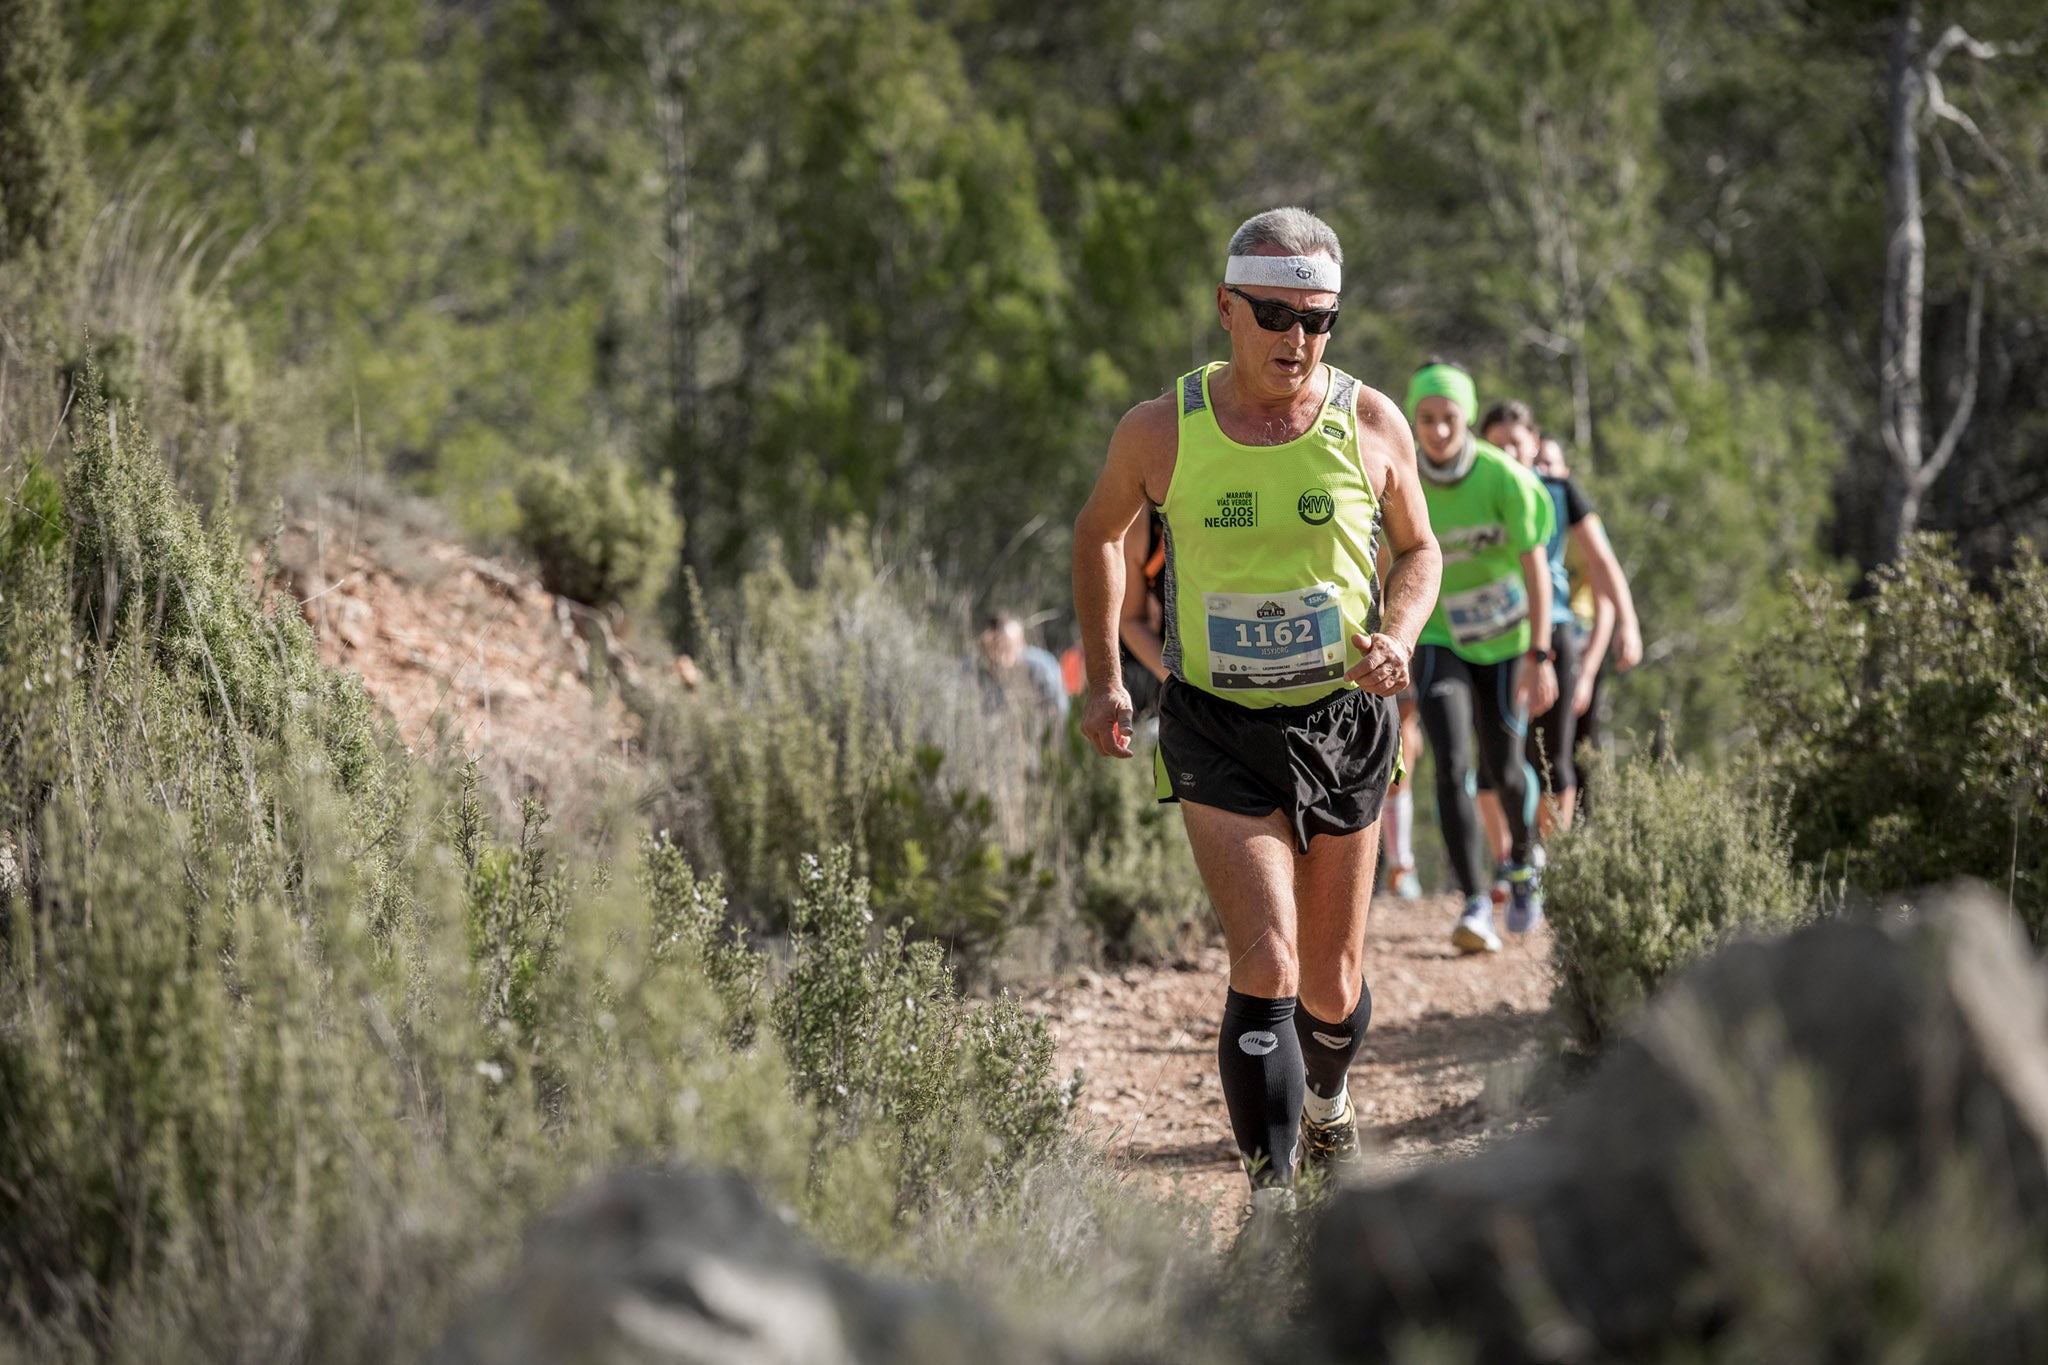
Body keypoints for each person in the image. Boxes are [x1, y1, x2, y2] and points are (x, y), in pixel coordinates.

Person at [1071, 207, 1441, 1211]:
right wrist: (1108, 674)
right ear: (1225, 309)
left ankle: (1327, 1098)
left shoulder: (1369, 425)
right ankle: (1271, 1208)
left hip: (1342, 718)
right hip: (1216, 721)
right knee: (1266, 958)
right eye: (1273, 313)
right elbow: (1099, 535)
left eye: (1316, 319)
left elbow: (1419, 551)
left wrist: (1396, 638)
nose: (1295, 339)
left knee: (1328, 981)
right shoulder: (1160, 429)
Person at [1406, 363, 1555, 955]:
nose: (1438, 431)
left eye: (1449, 419)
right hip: (1440, 637)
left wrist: (1540, 654)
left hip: (1506, 641)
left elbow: (1536, 570)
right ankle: (1474, 903)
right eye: (1427, 420)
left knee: (1504, 767)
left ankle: (1522, 863)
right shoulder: (1405, 479)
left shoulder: (1502, 478)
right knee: (1450, 763)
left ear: (1466, 419)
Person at [1471, 411, 1643, 859]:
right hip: (1494, 637)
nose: (1508, 454)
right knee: (1492, 760)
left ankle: (1553, 867)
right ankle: (1509, 865)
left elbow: (1603, 561)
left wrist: (1628, 622)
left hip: (1558, 633)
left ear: (1534, 443)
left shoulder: (1560, 492)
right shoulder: (1472, 494)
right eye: (1497, 445)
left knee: (1553, 758)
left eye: (1517, 443)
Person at [978, 611, 1068, 733]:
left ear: (1020, 641)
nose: (1000, 652)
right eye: (996, 646)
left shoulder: (1039, 668)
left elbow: (1057, 711)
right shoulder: (983, 669)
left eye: (1006, 646)